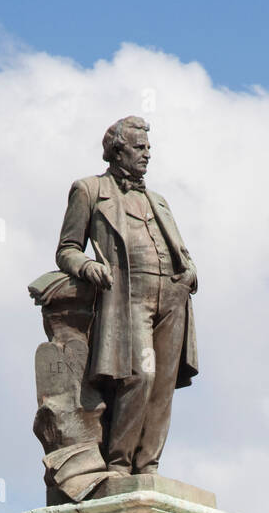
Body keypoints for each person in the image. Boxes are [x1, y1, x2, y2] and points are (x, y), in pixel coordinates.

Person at [55, 116, 198, 476]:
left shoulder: (158, 200)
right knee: (141, 376)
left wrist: (190, 271)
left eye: (149, 148)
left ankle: (148, 464)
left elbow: (179, 248)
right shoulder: (89, 190)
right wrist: (87, 267)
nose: (147, 155)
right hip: (127, 297)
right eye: (139, 148)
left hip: (173, 295)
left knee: (163, 384)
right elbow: (67, 249)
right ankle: (119, 463)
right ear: (117, 151)